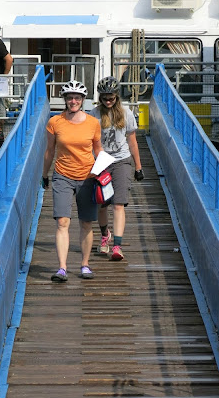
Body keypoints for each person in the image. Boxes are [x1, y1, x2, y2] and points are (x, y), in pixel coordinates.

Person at [42, 80, 102, 282]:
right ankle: (62, 268)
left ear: (83, 100)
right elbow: (50, 150)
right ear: (65, 100)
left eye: (77, 98)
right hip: (62, 175)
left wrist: (103, 170)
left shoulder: (93, 123)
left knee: (86, 222)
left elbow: (98, 149)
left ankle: (85, 265)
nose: (73, 101)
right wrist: (44, 174)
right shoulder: (55, 122)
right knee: (62, 221)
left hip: (88, 177)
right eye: (70, 98)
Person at [90, 76, 144, 261]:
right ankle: (105, 235)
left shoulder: (126, 113)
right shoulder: (94, 114)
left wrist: (138, 167)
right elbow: (88, 142)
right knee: (102, 204)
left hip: (122, 161)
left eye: (111, 97)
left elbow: (132, 141)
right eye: (105, 98)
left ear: (116, 96)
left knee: (119, 204)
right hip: (101, 162)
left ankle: (117, 246)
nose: (108, 101)